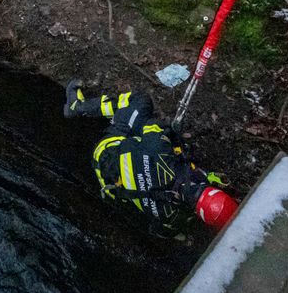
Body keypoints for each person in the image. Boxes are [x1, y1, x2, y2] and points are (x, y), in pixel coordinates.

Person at [64, 80, 238, 233]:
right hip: (111, 187)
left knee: (141, 101)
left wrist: (169, 131)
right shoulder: (174, 219)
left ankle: (77, 107)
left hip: (106, 151)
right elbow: (157, 229)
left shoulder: (162, 154)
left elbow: (151, 127)